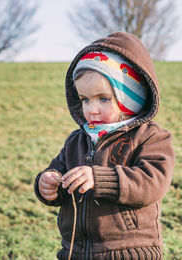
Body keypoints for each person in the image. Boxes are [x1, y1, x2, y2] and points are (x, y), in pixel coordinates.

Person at [34, 32, 175, 260]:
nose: (91, 109)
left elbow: (152, 182)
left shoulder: (151, 137)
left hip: (130, 252)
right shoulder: (77, 140)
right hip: (75, 251)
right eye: (85, 99)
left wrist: (99, 179)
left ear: (129, 98)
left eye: (103, 98)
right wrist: (47, 183)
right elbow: (58, 172)